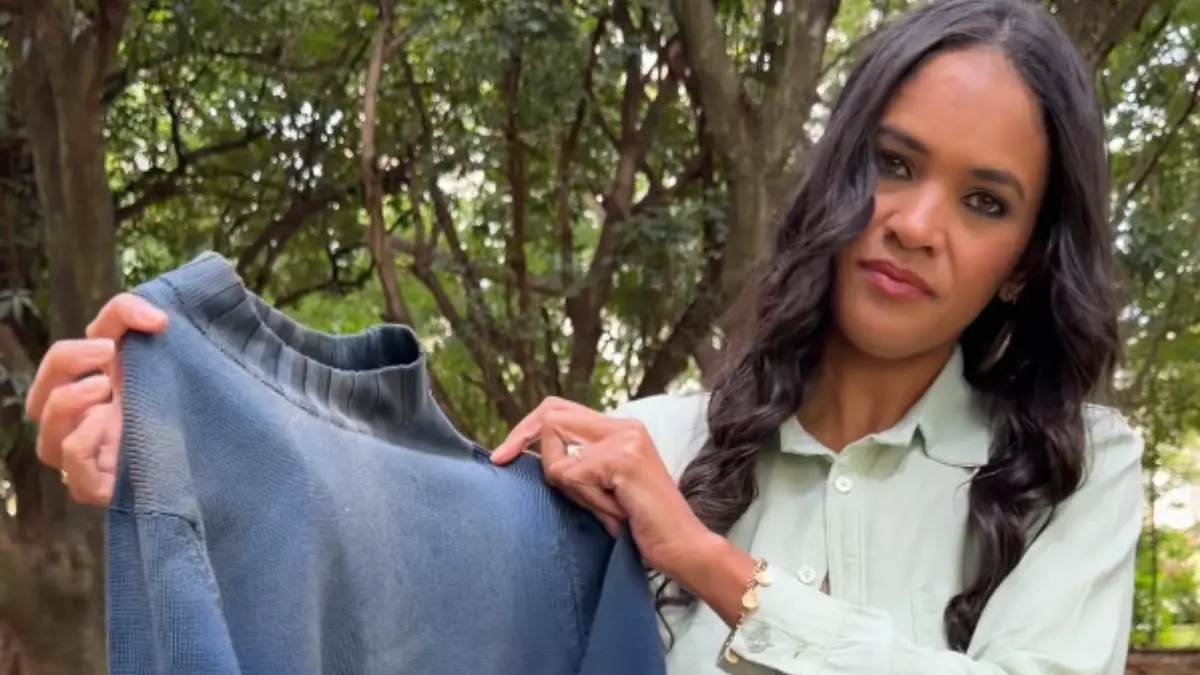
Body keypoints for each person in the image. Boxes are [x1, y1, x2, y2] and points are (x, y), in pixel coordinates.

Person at [26, 0, 1142, 672]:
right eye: (894, 165)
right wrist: (184, 454)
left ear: (1029, 261)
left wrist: (709, 566)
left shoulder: (1078, 472)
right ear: (844, 172)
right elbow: (416, 582)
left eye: (984, 201)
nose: (915, 222)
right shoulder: (654, 448)